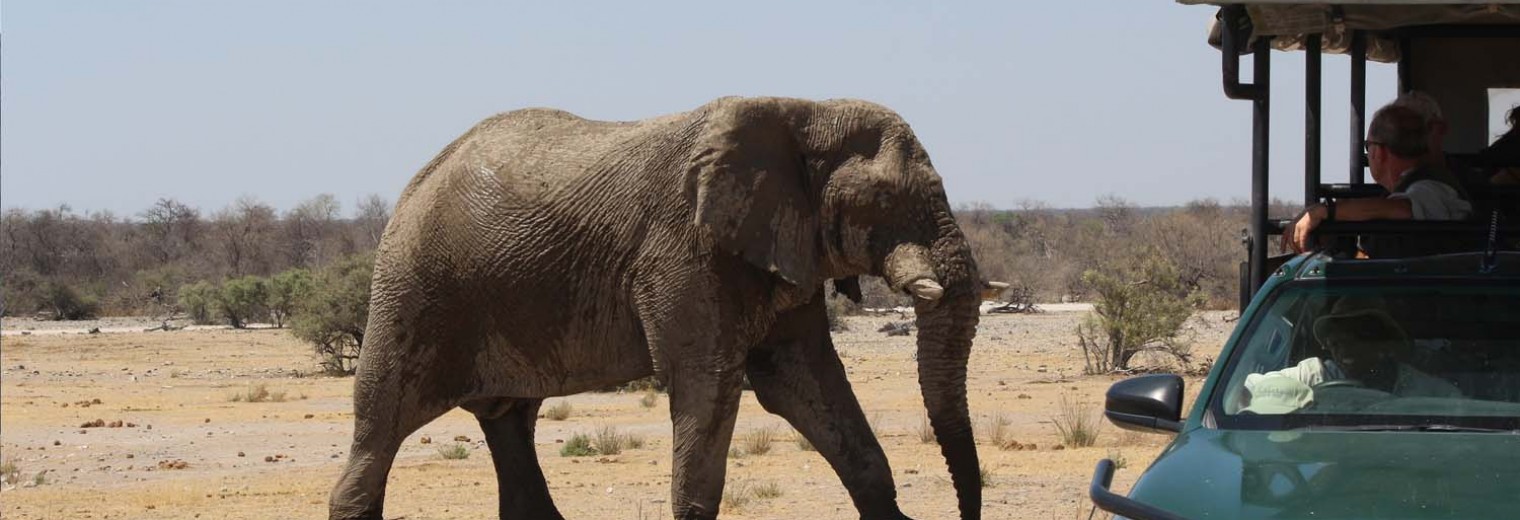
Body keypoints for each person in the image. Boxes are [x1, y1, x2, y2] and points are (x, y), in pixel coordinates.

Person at [1284, 103, 1474, 255]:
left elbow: (1403, 208)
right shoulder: (1414, 184)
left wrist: (1327, 212)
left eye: (1368, 146)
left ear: (1379, 151)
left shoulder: (1431, 186)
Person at [1242, 296, 1460, 413]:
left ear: (1384, 345)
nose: (1344, 350)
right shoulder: (1313, 375)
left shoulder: (1425, 390)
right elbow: (1249, 388)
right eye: (1336, 342)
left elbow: (1458, 411)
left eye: (1358, 340)